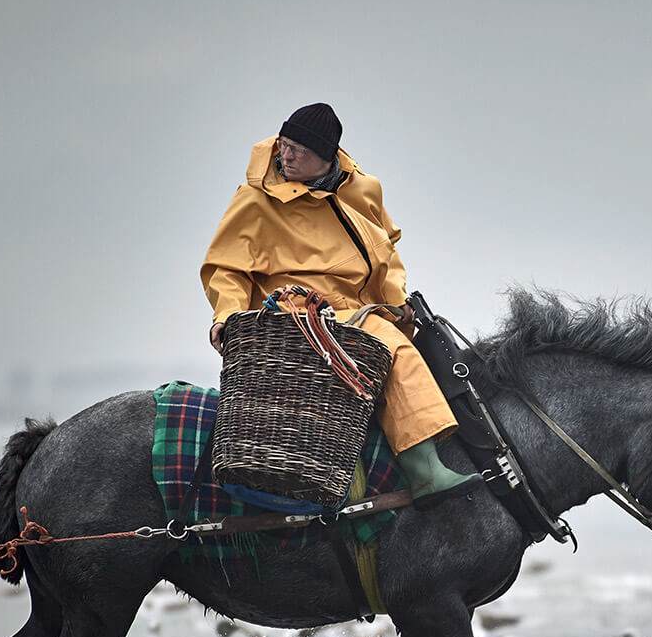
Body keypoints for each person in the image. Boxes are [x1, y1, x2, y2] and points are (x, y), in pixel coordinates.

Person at [200, 102, 480, 506]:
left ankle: (425, 470)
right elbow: (226, 268)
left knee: (400, 348)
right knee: (368, 349)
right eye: (285, 145)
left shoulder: (364, 189)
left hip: (358, 309)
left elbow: (386, 252)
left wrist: (396, 299)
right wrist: (225, 315)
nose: (288, 156)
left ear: (327, 158)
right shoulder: (255, 200)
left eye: (301, 151)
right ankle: (307, 466)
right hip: (294, 309)